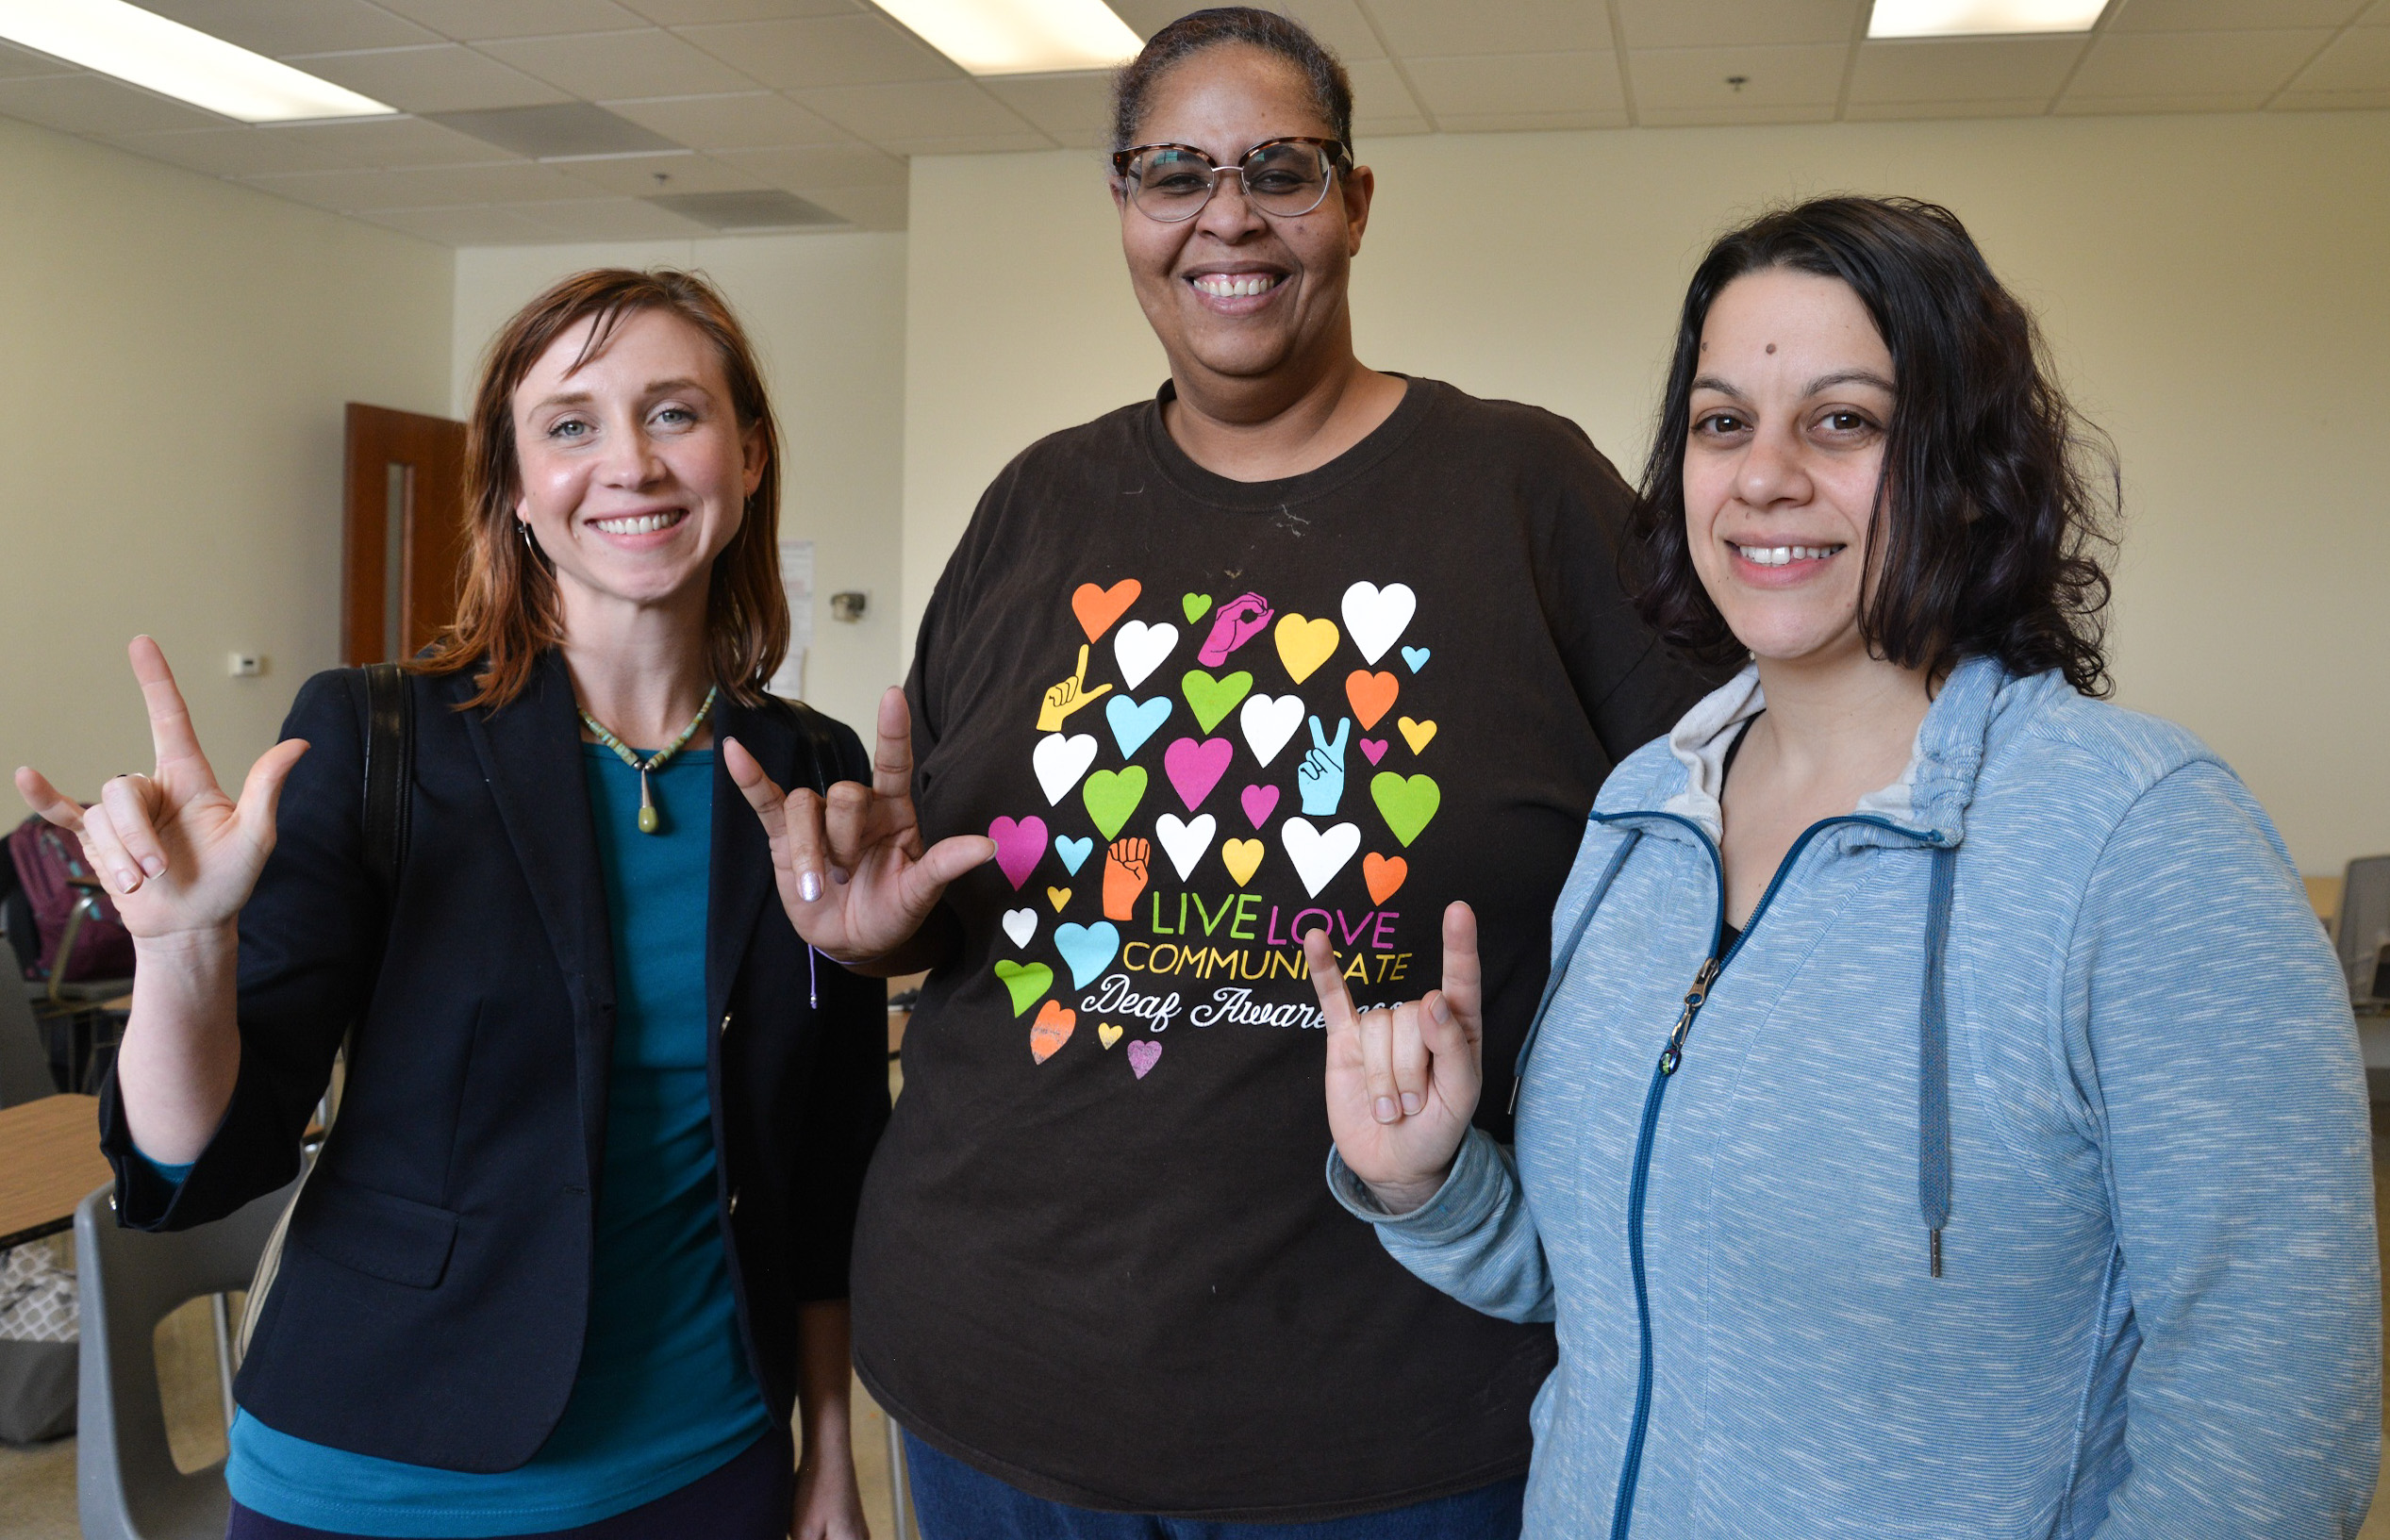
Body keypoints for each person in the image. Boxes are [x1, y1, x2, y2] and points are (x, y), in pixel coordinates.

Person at [725, 8, 1715, 1534]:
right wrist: (888, 936)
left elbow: (1730, 837)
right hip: (999, 1371)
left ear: (1356, 203)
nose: (1226, 215)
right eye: (1171, 171)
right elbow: (985, 876)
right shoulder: (1038, 505)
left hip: (1391, 1399)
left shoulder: (1524, 491)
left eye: (1282, 170)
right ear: (1123, 207)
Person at [1313, 196, 2381, 1538]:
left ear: (1962, 463)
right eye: (1720, 422)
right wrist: (1427, 1179)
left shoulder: (2140, 841)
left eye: (1842, 421)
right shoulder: (1642, 811)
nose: (1763, 475)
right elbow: (1617, 1286)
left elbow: (2273, 1425)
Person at [16, 269, 886, 1540]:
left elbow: (827, 1154)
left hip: (709, 1455)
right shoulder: (380, 738)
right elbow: (200, 1159)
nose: (629, 463)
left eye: (674, 414)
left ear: (747, 457)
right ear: (519, 488)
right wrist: (183, 947)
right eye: (571, 424)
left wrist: (826, 1453)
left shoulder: (812, 766)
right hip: (385, 1464)